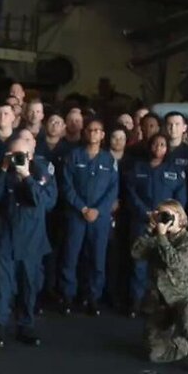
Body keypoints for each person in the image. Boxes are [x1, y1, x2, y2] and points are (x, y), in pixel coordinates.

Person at [0, 128, 57, 347]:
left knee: (29, 286)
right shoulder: (4, 173)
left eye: (21, 155)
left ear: (30, 156)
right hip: (6, 237)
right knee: (2, 285)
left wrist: (26, 176)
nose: (17, 159)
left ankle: (25, 325)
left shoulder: (42, 173)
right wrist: (3, 169)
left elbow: (44, 203)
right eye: (13, 154)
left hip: (32, 240)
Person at [132, 200, 188, 374]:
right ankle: (181, 345)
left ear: (180, 218)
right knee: (154, 353)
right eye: (161, 215)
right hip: (161, 299)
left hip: (182, 296)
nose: (164, 219)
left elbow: (175, 264)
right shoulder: (156, 237)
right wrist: (149, 230)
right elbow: (136, 252)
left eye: (168, 215)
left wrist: (161, 237)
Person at [58, 117, 119, 315]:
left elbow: (113, 189)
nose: (93, 133)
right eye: (90, 130)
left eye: (97, 130)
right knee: (70, 256)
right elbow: (66, 185)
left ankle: (93, 298)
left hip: (100, 218)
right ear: (85, 133)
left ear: (103, 135)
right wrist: (82, 208)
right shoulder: (73, 156)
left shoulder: (109, 160)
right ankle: (67, 296)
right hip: (76, 214)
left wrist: (98, 210)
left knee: (97, 259)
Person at [124, 133, 187, 315]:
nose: (158, 148)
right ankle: (136, 301)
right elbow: (131, 193)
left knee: (164, 264)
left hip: (167, 225)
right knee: (139, 262)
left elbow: (180, 199)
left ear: (167, 149)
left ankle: (160, 304)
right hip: (142, 221)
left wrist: (166, 217)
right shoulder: (137, 168)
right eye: (155, 144)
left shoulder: (175, 171)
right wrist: (146, 213)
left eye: (162, 145)